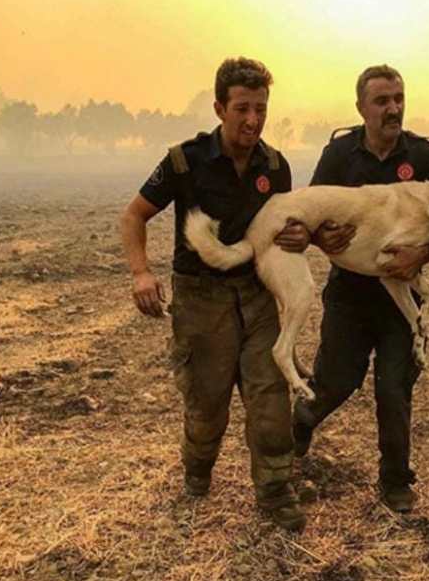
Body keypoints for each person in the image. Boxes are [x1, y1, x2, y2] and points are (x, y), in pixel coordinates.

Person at [119, 57, 312, 532]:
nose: (253, 120)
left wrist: (299, 239)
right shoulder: (184, 161)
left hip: (257, 294)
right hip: (201, 300)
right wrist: (141, 273)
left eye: (261, 109)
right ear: (219, 107)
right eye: (242, 108)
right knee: (207, 404)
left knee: (270, 396)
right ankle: (197, 472)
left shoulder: (275, 166)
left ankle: (274, 489)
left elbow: (282, 231)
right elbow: (133, 217)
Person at [294, 65, 429, 512]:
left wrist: (420, 257)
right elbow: (311, 209)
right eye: (382, 101)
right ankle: (302, 420)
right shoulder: (340, 155)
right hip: (351, 291)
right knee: (337, 381)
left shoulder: (424, 157)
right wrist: (323, 239)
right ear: (361, 107)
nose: (393, 109)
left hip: (402, 300)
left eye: (399, 98)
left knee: (394, 387)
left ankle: (396, 479)